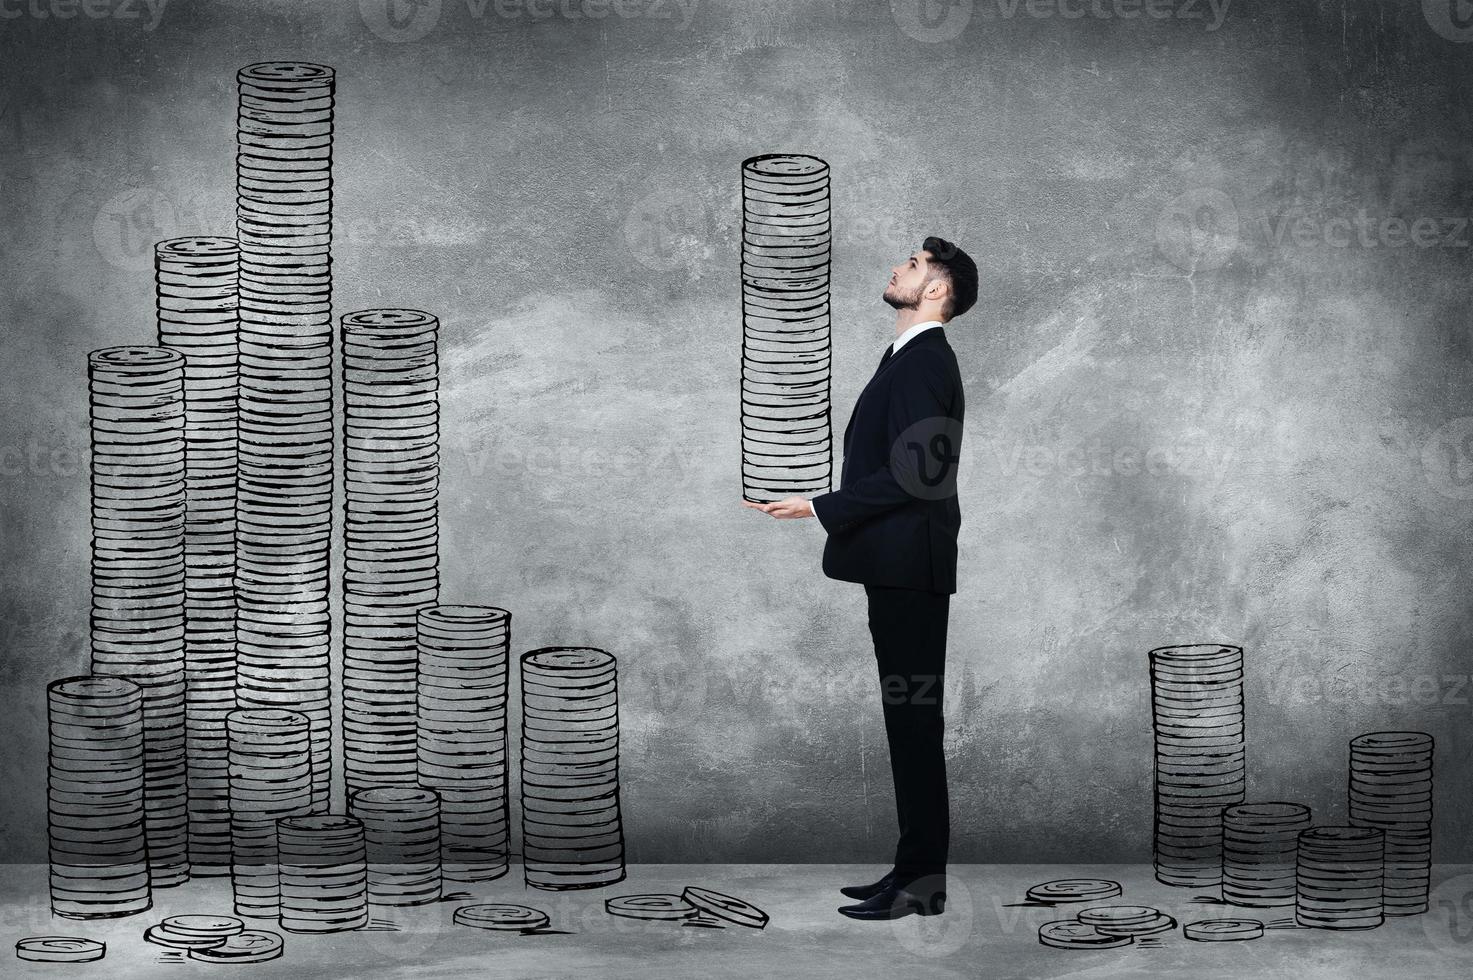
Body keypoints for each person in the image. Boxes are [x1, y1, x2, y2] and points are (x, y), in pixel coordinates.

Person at [744, 236, 975, 920]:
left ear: (935, 289)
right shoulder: (905, 357)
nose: (896, 269)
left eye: (910, 266)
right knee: (906, 723)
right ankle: (912, 872)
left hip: (910, 569)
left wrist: (818, 505)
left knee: (914, 724)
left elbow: (918, 476)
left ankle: (921, 881)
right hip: (894, 567)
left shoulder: (926, 362)